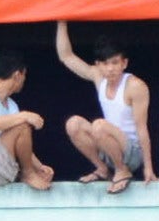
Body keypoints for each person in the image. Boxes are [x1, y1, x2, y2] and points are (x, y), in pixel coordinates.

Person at [53, 21, 151, 191]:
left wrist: (148, 168)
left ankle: (122, 171)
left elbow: (142, 128)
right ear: (98, 65)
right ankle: (103, 169)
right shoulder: (99, 77)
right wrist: (62, 23)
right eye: (105, 64)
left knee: (99, 125)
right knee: (73, 123)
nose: (110, 68)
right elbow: (66, 56)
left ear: (124, 63)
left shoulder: (135, 86)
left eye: (115, 63)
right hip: (107, 145)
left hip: (133, 152)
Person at [0, 50, 57, 191]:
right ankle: (28, 174)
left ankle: (30, 173)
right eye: (24, 75)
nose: (24, 80)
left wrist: (40, 167)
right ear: (17, 75)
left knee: (22, 126)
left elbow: (21, 143)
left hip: (4, 164)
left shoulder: (12, 105)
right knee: (22, 125)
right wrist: (24, 115)